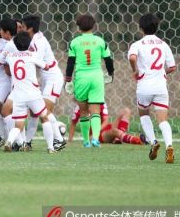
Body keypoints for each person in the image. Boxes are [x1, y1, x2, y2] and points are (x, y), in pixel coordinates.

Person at [128, 13, 176, 163]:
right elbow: (172, 67)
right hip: (161, 86)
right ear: (157, 27)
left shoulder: (137, 44)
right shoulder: (163, 44)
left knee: (143, 114)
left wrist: (135, 71)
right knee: (163, 120)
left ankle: (153, 142)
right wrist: (161, 72)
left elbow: (132, 57)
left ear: (140, 28)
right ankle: (169, 146)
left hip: (144, 86)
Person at [65, 14, 114, 147]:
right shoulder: (100, 41)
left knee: (84, 111)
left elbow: (70, 63)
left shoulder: (74, 43)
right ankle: (95, 139)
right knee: (96, 111)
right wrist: (111, 73)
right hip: (97, 77)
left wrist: (68, 80)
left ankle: (86, 141)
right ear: (93, 26)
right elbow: (108, 60)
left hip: (81, 78)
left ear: (78, 28)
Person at [3, 31, 55, 154]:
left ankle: (9, 141)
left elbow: (5, 64)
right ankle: (51, 148)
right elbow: (46, 66)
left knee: (18, 125)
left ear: (15, 44)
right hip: (33, 94)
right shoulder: (32, 55)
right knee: (44, 118)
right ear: (29, 43)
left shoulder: (10, 56)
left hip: (18, 96)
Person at [22, 15, 66, 151]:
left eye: (23, 27)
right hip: (46, 79)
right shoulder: (33, 38)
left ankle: (59, 139)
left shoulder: (38, 41)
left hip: (53, 78)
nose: (21, 29)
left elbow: (37, 63)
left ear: (30, 28)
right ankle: (27, 142)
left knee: (43, 111)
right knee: (37, 112)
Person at [68, 104, 144, 145]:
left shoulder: (100, 102)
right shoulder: (80, 106)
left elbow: (106, 121)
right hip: (95, 136)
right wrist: (70, 140)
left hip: (104, 128)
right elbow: (73, 123)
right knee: (114, 131)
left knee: (126, 111)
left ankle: (118, 138)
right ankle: (138, 141)